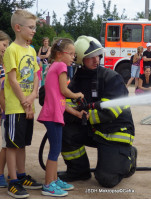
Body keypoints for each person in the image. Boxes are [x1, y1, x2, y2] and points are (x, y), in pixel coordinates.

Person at [58, 36, 137, 188]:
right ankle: (78, 171)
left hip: (115, 132)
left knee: (107, 179)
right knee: (64, 128)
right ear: (81, 59)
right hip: (94, 129)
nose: (96, 59)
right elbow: (66, 103)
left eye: (98, 55)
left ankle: (128, 156)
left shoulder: (112, 78)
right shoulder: (77, 79)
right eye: (90, 57)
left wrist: (79, 116)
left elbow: (110, 112)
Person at [37, 38, 84, 197]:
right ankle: (48, 185)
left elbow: (60, 100)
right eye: (70, 54)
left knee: (55, 149)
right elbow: (65, 91)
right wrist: (77, 95)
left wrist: (76, 113)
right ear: (59, 54)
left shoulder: (53, 66)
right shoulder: (61, 66)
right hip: (52, 116)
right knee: (55, 151)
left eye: (74, 54)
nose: (73, 57)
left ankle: (54, 179)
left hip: (52, 114)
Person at [3, 10, 42, 198]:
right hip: (16, 106)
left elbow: (35, 76)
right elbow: (12, 80)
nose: (34, 31)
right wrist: (24, 102)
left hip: (28, 104)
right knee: (12, 144)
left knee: (22, 143)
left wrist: (34, 94)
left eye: (35, 27)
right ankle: (13, 181)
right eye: (31, 27)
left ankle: (21, 174)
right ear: (18, 28)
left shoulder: (32, 49)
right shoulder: (11, 50)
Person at [0, 30, 10, 188]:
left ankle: (1, 173)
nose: (6, 48)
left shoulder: (4, 64)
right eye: (4, 44)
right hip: (3, 109)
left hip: (5, 109)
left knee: (6, 144)